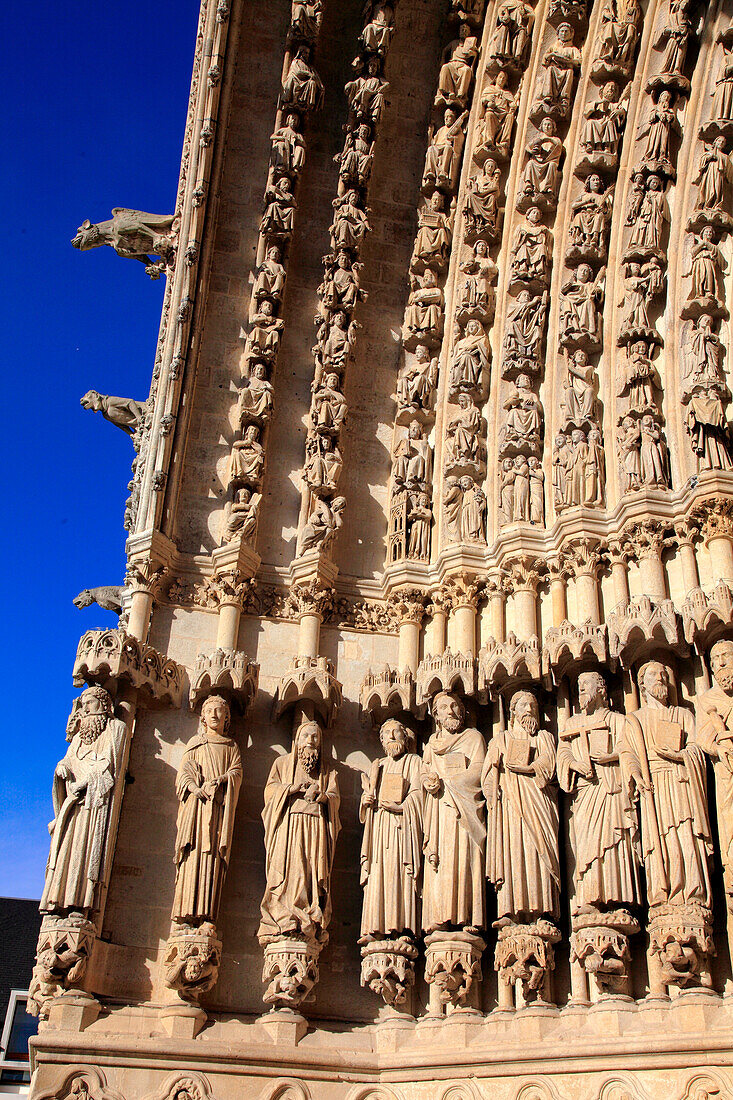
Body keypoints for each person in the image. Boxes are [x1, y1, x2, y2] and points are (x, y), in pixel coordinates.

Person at [258, 720, 340, 945]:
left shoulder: (326, 770)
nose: (311, 741)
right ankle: (284, 915)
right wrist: (290, 789)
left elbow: (334, 797)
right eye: (307, 736)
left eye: (315, 737)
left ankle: (310, 913)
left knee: (310, 873)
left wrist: (322, 797)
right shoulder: (282, 764)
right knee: (289, 871)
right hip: (289, 828)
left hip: (316, 830)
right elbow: (269, 792)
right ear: (297, 741)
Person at [171, 696, 242, 924]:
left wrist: (222, 780)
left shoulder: (231, 747)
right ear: (202, 716)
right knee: (192, 857)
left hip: (217, 811)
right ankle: (184, 915)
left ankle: (206, 914)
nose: (214, 715)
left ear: (226, 717)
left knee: (212, 859)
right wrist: (194, 788)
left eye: (219, 711)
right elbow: (183, 774)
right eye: (209, 710)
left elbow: (236, 773)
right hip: (196, 810)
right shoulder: (196, 743)